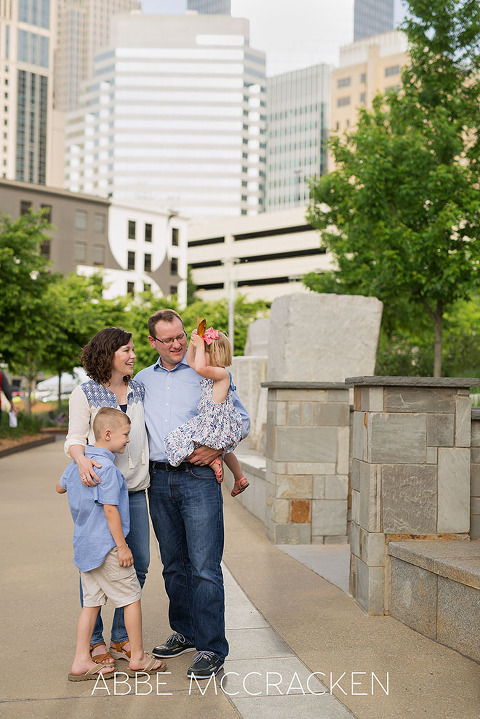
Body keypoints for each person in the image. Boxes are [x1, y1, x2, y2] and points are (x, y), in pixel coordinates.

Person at [135, 309, 250, 679]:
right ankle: (184, 631)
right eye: (166, 339)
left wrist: (217, 450)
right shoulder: (141, 380)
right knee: (173, 564)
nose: (176, 344)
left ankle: (212, 648)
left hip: (198, 478)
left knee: (203, 566)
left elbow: (239, 420)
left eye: (180, 336)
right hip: (158, 479)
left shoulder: (205, 372)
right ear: (152, 342)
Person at [57, 407, 165, 681]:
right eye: (125, 434)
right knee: (131, 598)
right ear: (107, 434)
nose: (128, 440)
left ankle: (81, 659)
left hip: (84, 548)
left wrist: (76, 477)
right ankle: (138, 657)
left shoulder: (77, 466)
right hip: (107, 548)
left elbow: (60, 487)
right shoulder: (108, 470)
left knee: (91, 604)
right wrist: (123, 546)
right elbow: (110, 511)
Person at [65, 327, 150, 667]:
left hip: (137, 488)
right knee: (96, 561)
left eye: (132, 350)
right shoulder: (84, 392)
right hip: (100, 492)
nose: (132, 355)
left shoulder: (140, 388)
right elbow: (74, 437)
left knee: (138, 563)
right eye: (126, 350)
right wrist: (81, 458)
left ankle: (121, 635)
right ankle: (96, 642)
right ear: (108, 354)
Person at [164, 326, 249, 497]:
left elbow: (200, 368)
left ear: (215, 354)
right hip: (211, 421)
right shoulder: (211, 374)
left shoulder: (222, 374)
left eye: (204, 352)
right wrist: (193, 344)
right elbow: (192, 363)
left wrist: (200, 346)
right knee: (225, 450)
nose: (199, 355)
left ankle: (214, 463)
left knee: (175, 440)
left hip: (212, 422)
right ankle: (239, 477)